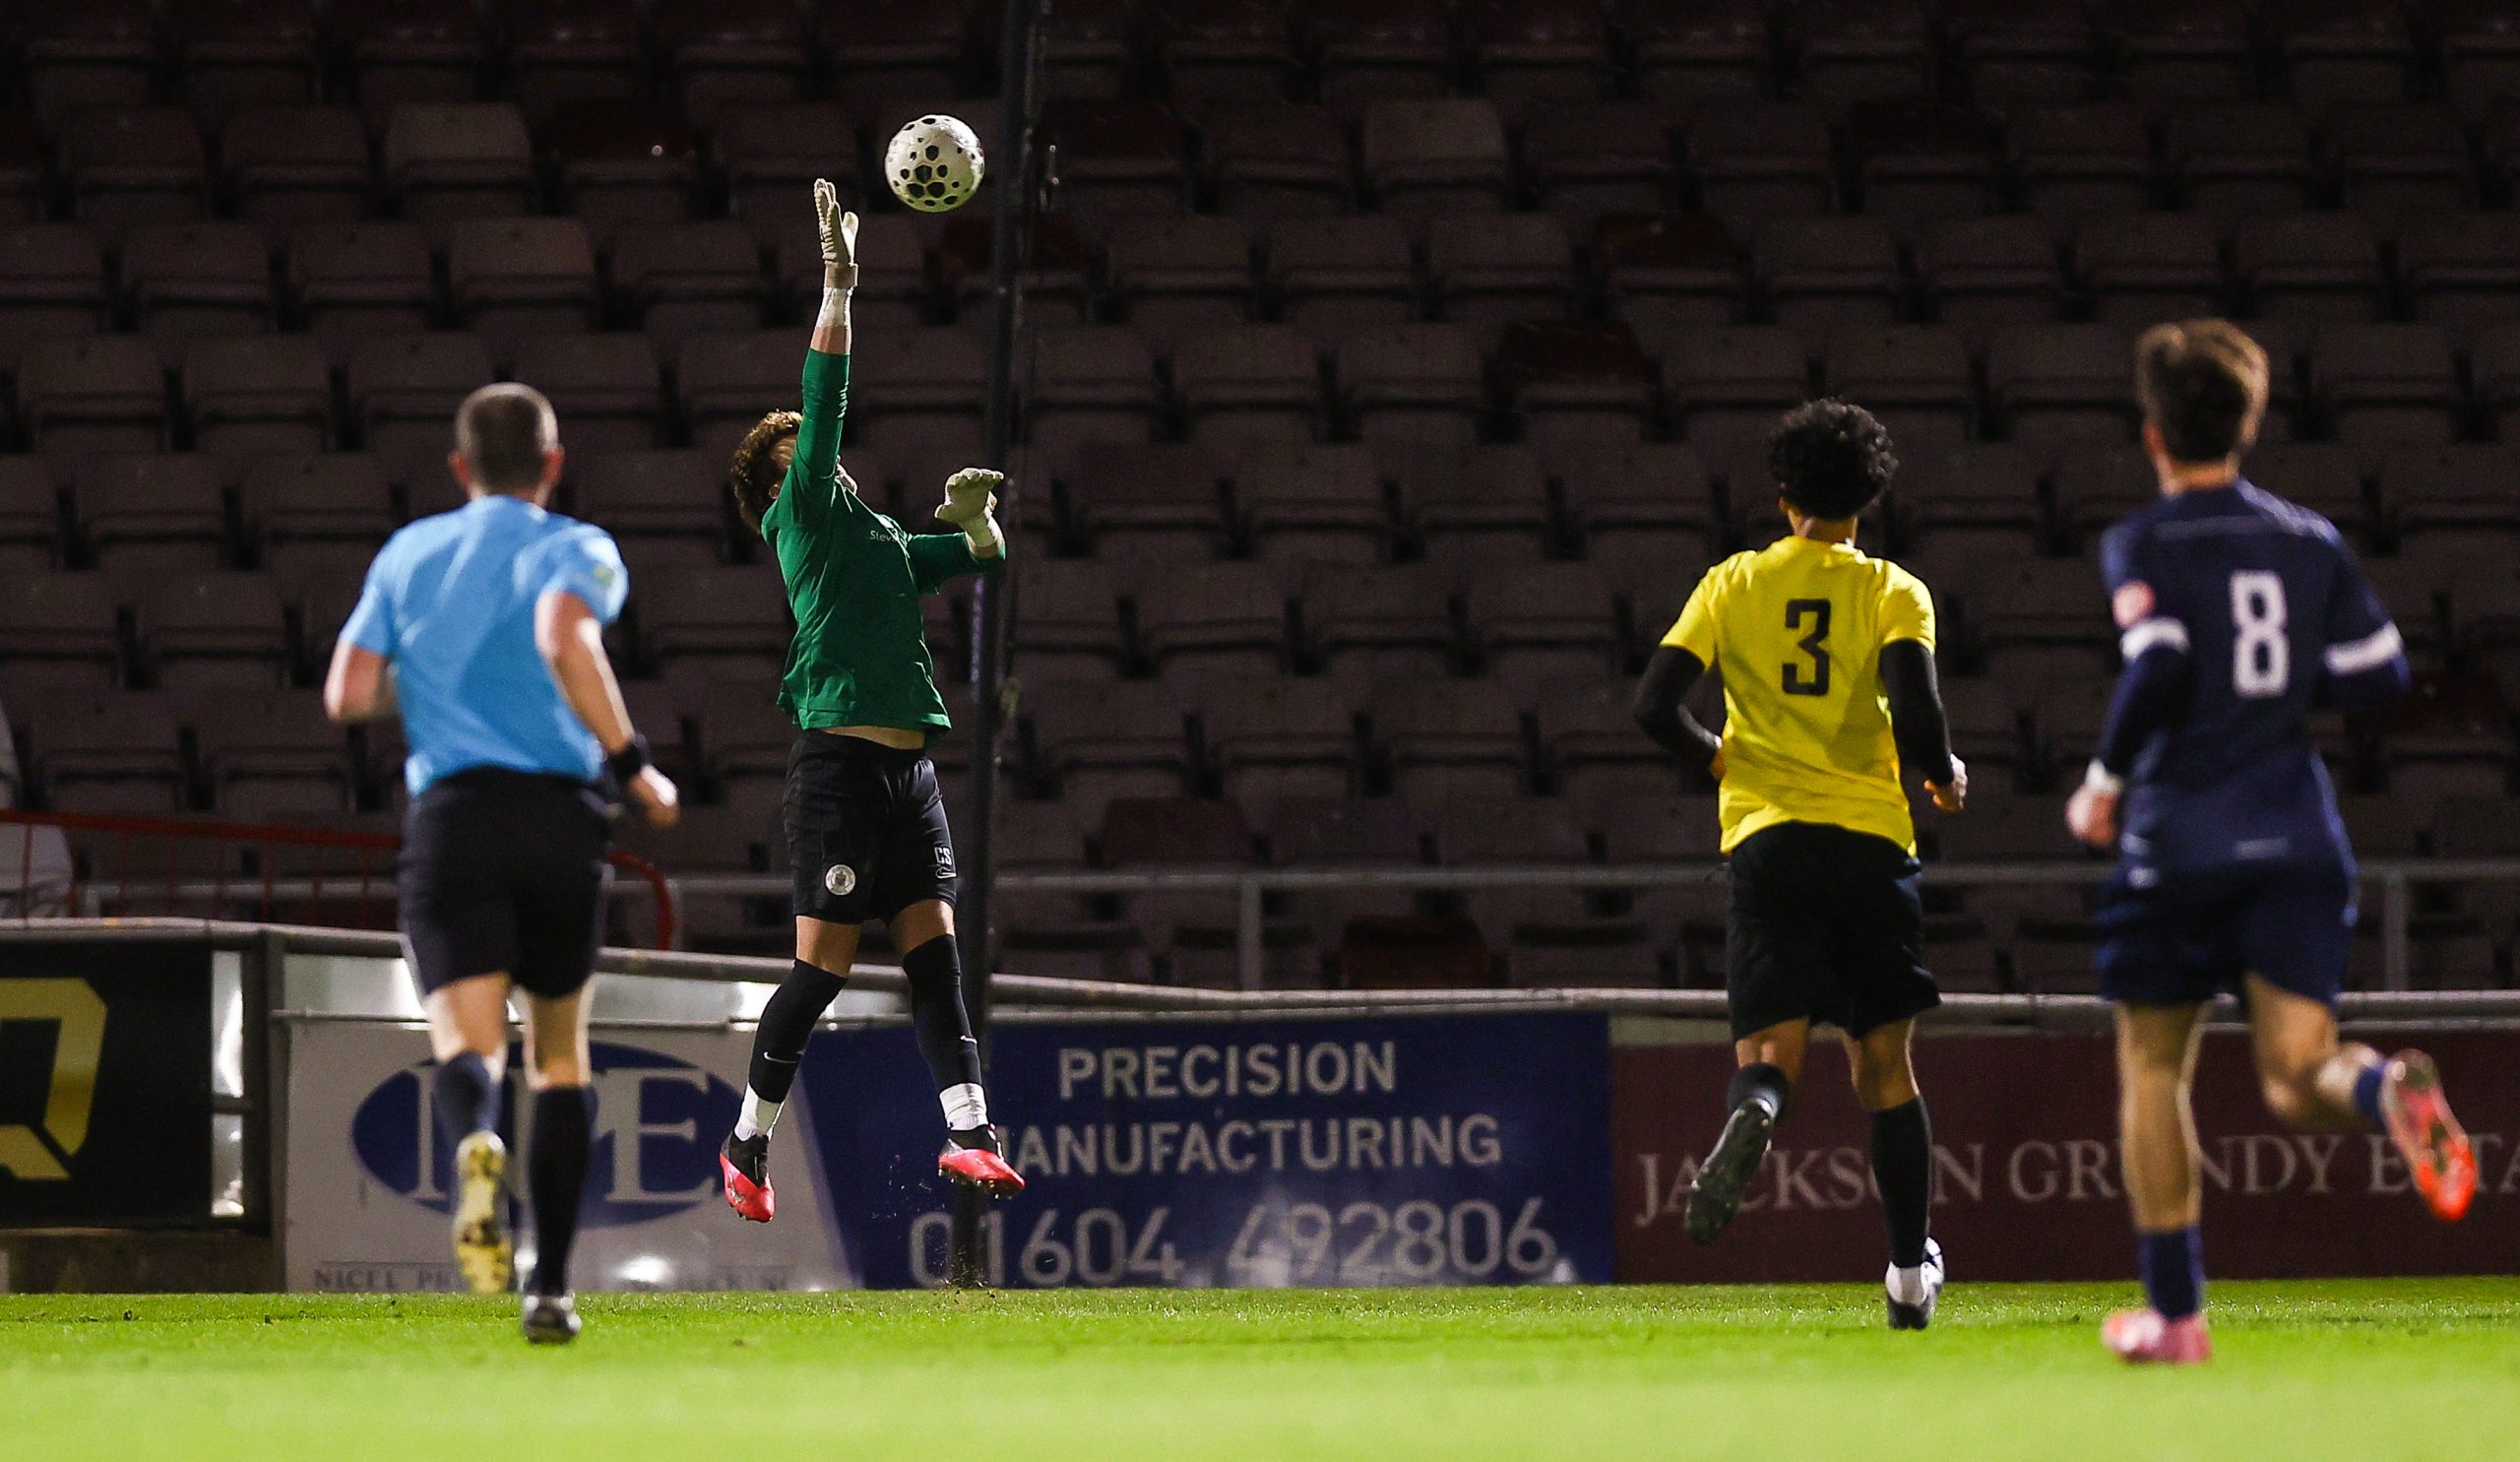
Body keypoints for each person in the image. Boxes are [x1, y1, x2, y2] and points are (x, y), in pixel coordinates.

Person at [2064, 320, 2475, 1366]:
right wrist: (2283, 686)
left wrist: (2102, 783)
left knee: (2153, 1068)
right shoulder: (2308, 539)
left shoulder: (2145, 541)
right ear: (2247, 424)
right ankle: (2382, 1089)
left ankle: (2176, 1318)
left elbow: (2159, 662)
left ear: (2154, 434)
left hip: (2178, 839)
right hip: (2296, 835)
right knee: (2297, 1077)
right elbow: (2381, 673)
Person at [325, 382, 680, 1344]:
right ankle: (550, 1289)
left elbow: (348, 693)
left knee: (468, 1046)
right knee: (558, 1056)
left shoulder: (409, 553)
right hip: (558, 819)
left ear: (460, 468)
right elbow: (564, 636)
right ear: (553, 464)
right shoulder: (577, 546)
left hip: (453, 820)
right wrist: (634, 765)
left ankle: (476, 1139)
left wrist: (435, 681)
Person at [716, 179, 1022, 1225]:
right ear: (779, 486)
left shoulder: (880, 537)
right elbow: (829, 393)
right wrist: (838, 291)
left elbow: (979, 556)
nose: (825, 454)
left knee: (937, 960)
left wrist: (976, 520)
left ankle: (972, 1135)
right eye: (804, 449)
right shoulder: (801, 517)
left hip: (907, 774)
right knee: (823, 972)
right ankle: (747, 1142)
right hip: (839, 769)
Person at [1633, 399, 1967, 1329]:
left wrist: (1720, 759)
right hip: (1868, 844)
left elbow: (1654, 705)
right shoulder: (1894, 591)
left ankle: (1761, 1109)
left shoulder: (1733, 582)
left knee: (1769, 1057)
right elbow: (1919, 718)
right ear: (1869, 498)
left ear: (1784, 496)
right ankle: (1908, 1275)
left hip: (1769, 842)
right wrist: (1943, 776)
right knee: (1885, 1068)